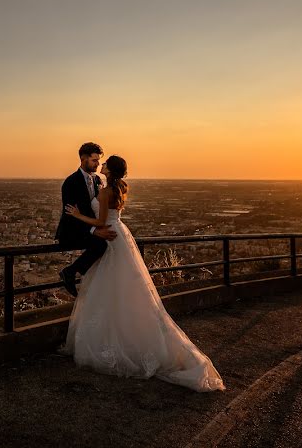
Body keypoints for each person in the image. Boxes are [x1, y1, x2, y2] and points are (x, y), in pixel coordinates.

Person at [60, 155, 225, 392]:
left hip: (110, 235)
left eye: (104, 163)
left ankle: (115, 341)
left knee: (109, 287)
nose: (101, 165)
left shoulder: (105, 192)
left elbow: (99, 220)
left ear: (110, 170)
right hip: (120, 234)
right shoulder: (118, 188)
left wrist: (76, 215)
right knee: (124, 288)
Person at [55, 142, 117, 297]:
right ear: (83, 159)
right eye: (94, 160)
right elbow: (70, 214)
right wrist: (94, 231)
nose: (97, 164)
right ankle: (71, 272)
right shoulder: (71, 182)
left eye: (98, 161)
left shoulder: (97, 180)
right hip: (73, 231)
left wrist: (98, 228)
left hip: (90, 229)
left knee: (108, 245)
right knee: (101, 245)